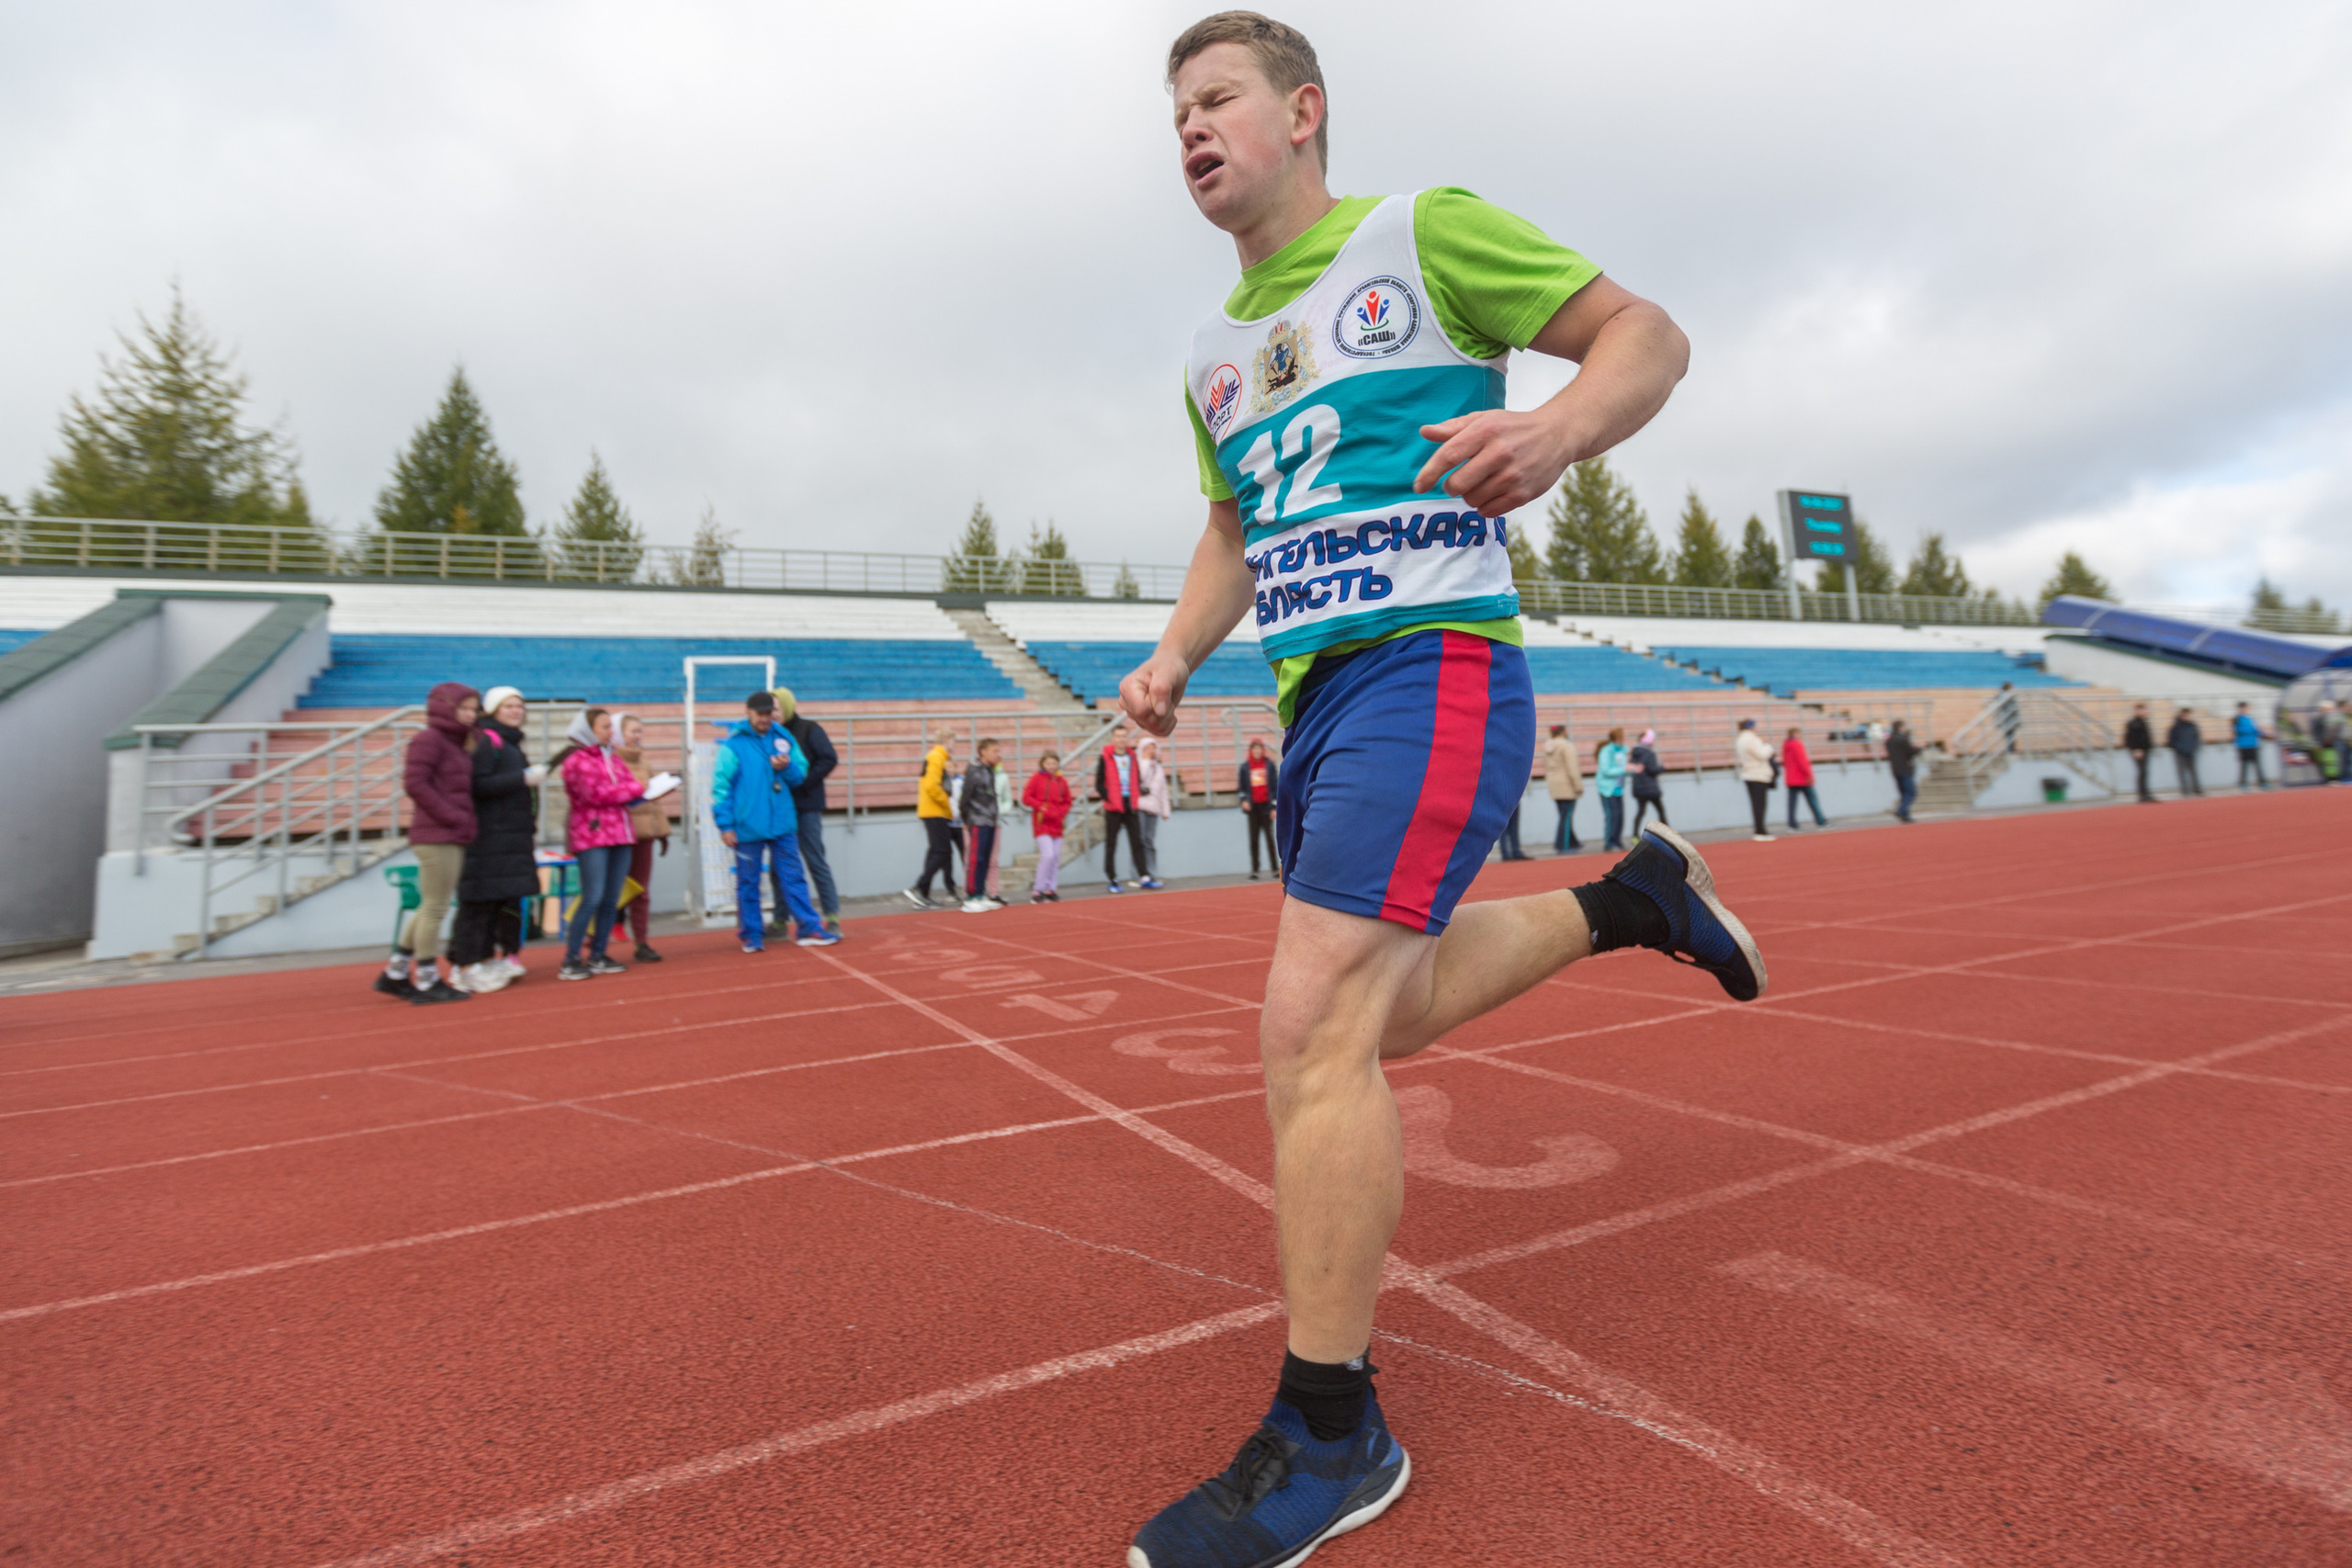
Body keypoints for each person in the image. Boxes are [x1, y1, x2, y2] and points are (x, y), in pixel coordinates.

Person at [1121, 20, 1756, 1567]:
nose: (1189, 130)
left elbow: (1647, 336)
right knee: (1376, 1014)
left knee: (1310, 1026)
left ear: (1304, 112)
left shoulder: (1423, 234)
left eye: (1217, 100)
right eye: (1173, 112)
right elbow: (1233, 530)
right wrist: (1170, 655)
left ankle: (1333, 1432)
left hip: (1434, 664)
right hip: (1316, 698)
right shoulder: (1212, 356)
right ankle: (1630, 898)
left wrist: (1556, 425)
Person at [377, 681, 480, 1004]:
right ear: (445, 707)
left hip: (448, 833)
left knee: (429, 906)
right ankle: (426, 978)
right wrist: (453, 816)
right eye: (464, 708)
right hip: (437, 835)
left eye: (474, 709)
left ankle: (395, 974)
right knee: (435, 908)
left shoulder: (456, 743)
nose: (470, 715)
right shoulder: (430, 740)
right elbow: (415, 784)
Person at [714, 692, 838, 950]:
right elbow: (721, 787)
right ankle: (752, 934)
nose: (764, 718)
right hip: (748, 825)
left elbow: (799, 774)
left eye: (768, 713)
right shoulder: (733, 745)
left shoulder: (783, 737)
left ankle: (809, 927)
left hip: (782, 823)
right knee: (748, 882)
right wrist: (726, 825)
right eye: (759, 713)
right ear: (748, 712)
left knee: (794, 877)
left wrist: (788, 768)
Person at [447, 685, 542, 993]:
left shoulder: (510, 744)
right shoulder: (488, 741)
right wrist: (522, 779)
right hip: (489, 837)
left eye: (519, 706)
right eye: (508, 706)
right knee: (480, 902)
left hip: (509, 837)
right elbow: (477, 786)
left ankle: (485, 959)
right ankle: (465, 964)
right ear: (493, 711)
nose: (516, 711)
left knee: (500, 901)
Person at [554, 707, 643, 978]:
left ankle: (598, 954)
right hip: (592, 835)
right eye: (604, 727)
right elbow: (595, 794)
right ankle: (570, 959)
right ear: (587, 730)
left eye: (610, 727)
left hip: (620, 833)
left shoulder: (613, 758)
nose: (610, 732)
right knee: (592, 896)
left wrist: (634, 790)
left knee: (610, 898)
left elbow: (626, 787)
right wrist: (635, 789)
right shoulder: (576, 760)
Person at [776, 689, 842, 931]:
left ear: (786, 707)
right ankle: (780, 917)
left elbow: (829, 758)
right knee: (779, 863)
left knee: (815, 859)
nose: (772, 714)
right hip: (781, 807)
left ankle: (832, 914)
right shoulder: (771, 734)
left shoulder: (809, 729)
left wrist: (806, 781)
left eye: (776, 708)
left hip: (807, 805)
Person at [612, 712, 673, 961]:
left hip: (644, 836)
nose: (638, 737)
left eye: (640, 732)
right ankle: (595, 939)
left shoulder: (644, 763)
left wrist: (662, 832)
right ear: (618, 734)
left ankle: (641, 942)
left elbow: (653, 803)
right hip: (619, 836)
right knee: (610, 889)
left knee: (641, 891)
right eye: (633, 731)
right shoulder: (612, 763)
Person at [906, 727, 960, 908]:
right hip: (935, 810)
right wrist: (946, 805)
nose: (955, 744)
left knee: (936, 851)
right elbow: (932, 786)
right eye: (953, 740)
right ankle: (919, 887)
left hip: (933, 810)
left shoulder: (938, 757)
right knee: (942, 851)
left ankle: (923, 893)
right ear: (946, 740)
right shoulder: (937, 757)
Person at [1093, 722, 1148, 892]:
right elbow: (1099, 783)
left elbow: (1136, 778)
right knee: (1112, 844)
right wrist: (1109, 798)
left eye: (1124, 736)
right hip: (1113, 807)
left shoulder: (1131, 756)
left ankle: (1144, 876)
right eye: (1118, 736)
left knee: (1137, 841)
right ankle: (1112, 878)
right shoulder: (1105, 757)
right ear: (1112, 738)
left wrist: (1137, 793)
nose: (1121, 739)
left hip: (1130, 804)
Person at [958, 738, 1007, 913]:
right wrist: (966, 818)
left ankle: (980, 893)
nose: (998, 754)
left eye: (998, 750)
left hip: (990, 820)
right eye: (995, 751)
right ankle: (970, 896)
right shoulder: (974, 770)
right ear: (983, 752)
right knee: (976, 858)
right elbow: (966, 796)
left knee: (985, 859)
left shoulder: (990, 770)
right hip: (978, 819)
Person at [1023, 750, 1072, 902]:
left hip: (1057, 824)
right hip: (1042, 824)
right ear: (1043, 764)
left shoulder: (1061, 781)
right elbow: (1026, 798)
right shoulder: (1036, 778)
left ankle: (1050, 888)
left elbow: (1068, 800)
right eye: (1049, 763)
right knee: (1048, 855)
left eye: (1054, 763)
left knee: (1056, 857)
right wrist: (1041, 807)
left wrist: (1061, 812)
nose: (1052, 766)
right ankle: (1038, 889)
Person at [1238, 738, 1280, 878]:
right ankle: (1255, 870)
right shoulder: (1245, 767)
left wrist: (1274, 807)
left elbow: (1275, 787)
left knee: (1270, 838)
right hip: (1253, 808)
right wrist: (1244, 800)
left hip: (1266, 807)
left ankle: (1275, 868)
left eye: (1259, 749)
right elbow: (1242, 788)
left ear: (1262, 750)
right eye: (1254, 749)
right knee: (1254, 839)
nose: (1257, 751)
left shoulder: (1269, 765)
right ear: (1251, 751)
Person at [1134, 737, 1173, 888]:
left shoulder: (1159, 769)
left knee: (1149, 841)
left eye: (1153, 748)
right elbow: (1140, 779)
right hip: (1141, 806)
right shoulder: (1139, 764)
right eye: (1147, 748)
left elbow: (1163, 791)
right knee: (1140, 840)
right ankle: (1141, 873)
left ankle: (1152, 873)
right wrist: (1145, 762)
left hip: (1153, 808)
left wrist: (1165, 810)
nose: (1151, 751)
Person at [1542, 723, 1583, 852]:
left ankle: (1573, 842)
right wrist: (1578, 785)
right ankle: (1562, 845)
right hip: (1566, 784)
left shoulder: (1548, 746)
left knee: (1564, 815)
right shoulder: (1566, 746)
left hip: (1554, 784)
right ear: (1563, 732)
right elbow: (1572, 768)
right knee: (1566, 816)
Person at [1736, 717, 1776, 840]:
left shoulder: (1741, 739)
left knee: (1757, 804)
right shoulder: (1749, 739)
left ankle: (1760, 829)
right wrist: (1769, 747)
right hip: (1756, 774)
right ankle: (1760, 830)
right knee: (1760, 804)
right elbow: (1762, 755)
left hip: (1750, 774)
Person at [1782, 725, 1826, 829]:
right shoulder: (1797, 744)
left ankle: (1792, 824)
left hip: (1791, 778)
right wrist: (1809, 775)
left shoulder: (1786, 745)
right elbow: (1802, 761)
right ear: (1795, 734)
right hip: (1802, 778)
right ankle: (1820, 821)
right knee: (1812, 800)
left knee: (1792, 802)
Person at [1626, 727, 1667, 835]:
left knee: (1640, 812)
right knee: (1661, 811)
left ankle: (1634, 835)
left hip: (1638, 788)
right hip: (1650, 788)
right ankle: (1669, 836)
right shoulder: (1649, 753)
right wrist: (1662, 767)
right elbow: (1652, 770)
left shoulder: (1634, 752)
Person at [1594, 728, 1629, 850]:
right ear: (1618, 737)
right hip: (1607, 789)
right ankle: (1610, 842)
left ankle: (1617, 840)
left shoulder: (1622, 751)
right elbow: (1606, 770)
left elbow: (1622, 768)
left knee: (1620, 815)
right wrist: (1624, 769)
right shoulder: (1606, 751)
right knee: (1612, 815)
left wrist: (1633, 769)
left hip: (1618, 788)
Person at [1885, 717, 1920, 822]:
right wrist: (1920, 748)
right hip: (1904, 768)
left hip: (1895, 769)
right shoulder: (1902, 739)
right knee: (1911, 792)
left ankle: (1906, 815)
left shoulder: (1889, 740)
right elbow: (1909, 751)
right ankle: (1901, 810)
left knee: (1903, 792)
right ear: (1900, 727)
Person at [2166, 707, 2204, 797]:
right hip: (2180, 752)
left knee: (2194, 772)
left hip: (2191, 751)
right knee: (2181, 772)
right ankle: (2185, 790)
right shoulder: (2175, 727)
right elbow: (2171, 741)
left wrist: (2195, 747)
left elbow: (2197, 738)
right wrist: (2179, 748)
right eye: (2185, 715)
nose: (2188, 717)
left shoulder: (2193, 726)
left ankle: (2196, 789)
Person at [2123, 703, 2156, 803]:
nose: (2144, 712)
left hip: (2145, 750)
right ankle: (2142, 794)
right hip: (2139, 751)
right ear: (2137, 711)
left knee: (2144, 772)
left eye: (2145, 710)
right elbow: (2130, 738)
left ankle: (2146, 793)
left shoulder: (2144, 722)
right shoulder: (2133, 723)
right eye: (2142, 710)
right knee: (2141, 772)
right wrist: (2135, 749)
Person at [2232, 701, 2267, 789]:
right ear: (2241, 708)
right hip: (2242, 745)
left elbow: (2256, 730)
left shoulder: (2250, 719)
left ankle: (2262, 783)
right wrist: (2252, 730)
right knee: (2244, 766)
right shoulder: (2236, 719)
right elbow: (2238, 730)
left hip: (2253, 744)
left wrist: (2263, 733)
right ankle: (2243, 784)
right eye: (2245, 708)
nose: (2247, 709)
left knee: (2257, 765)